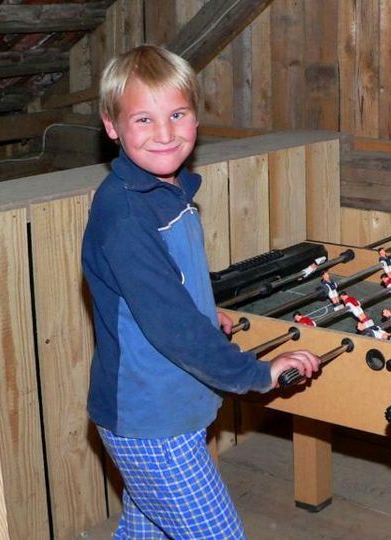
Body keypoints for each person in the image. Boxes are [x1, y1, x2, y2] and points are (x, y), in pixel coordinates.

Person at [81, 45, 320, 539]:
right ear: (112, 126)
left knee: (145, 530)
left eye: (176, 114)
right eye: (143, 119)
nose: (164, 133)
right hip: (152, 420)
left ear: (196, 118)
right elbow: (172, 326)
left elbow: (167, 293)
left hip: (163, 409)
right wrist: (257, 374)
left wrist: (206, 312)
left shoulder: (165, 192)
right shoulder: (126, 215)